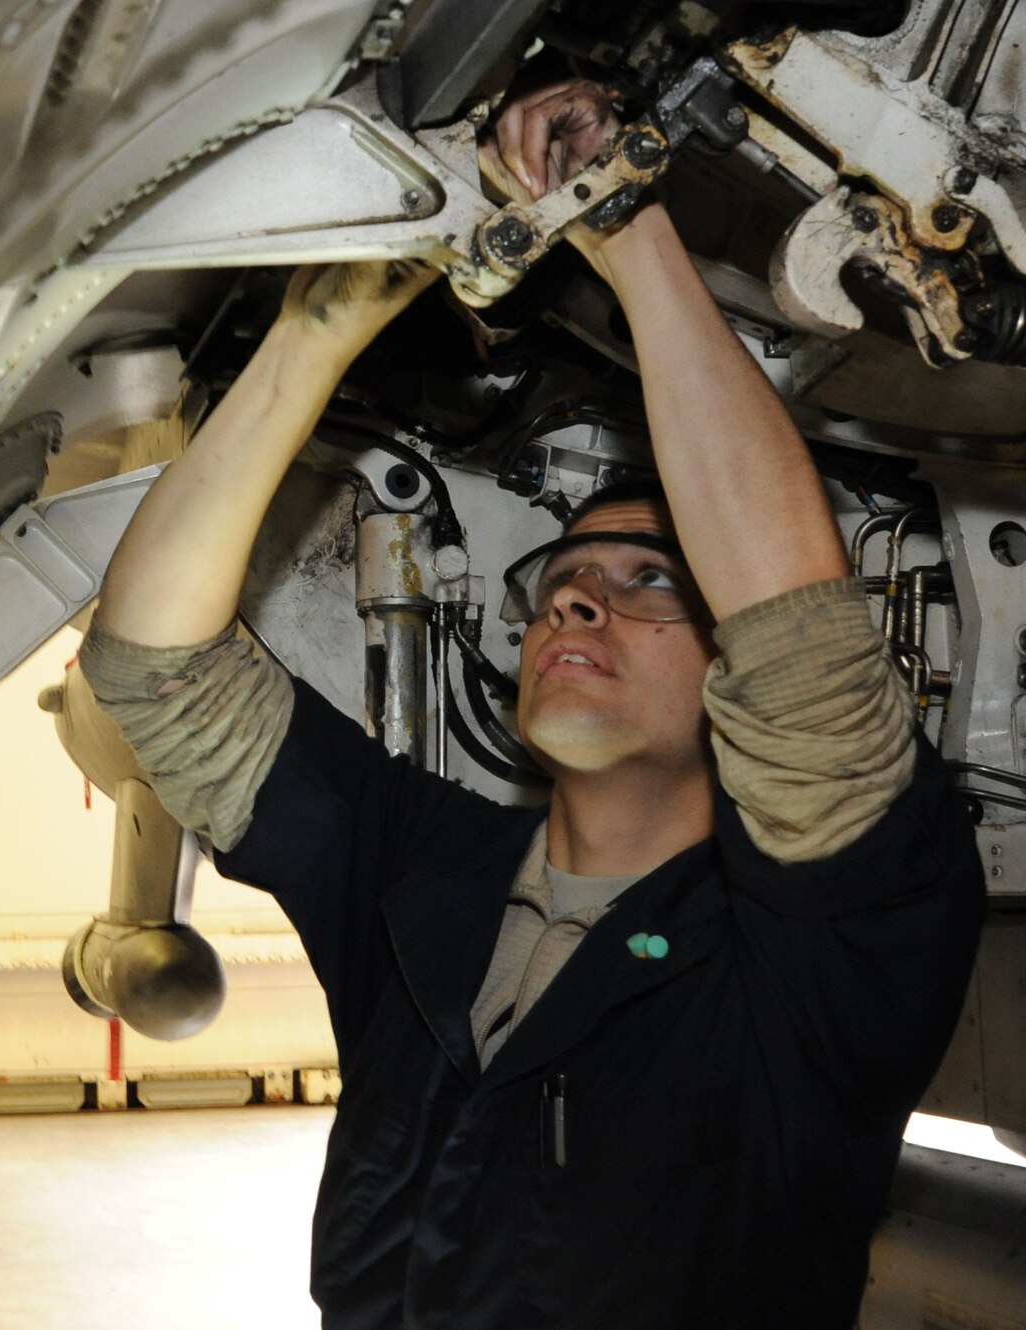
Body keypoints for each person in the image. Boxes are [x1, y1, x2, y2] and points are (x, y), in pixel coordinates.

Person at [71, 79, 986, 1327]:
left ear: (733, 668)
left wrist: (626, 228)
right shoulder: (417, 876)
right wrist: (312, 333)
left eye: (646, 579)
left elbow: (800, 645)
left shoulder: (818, 953)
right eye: (557, 583)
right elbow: (153, 668)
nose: (573, 602)